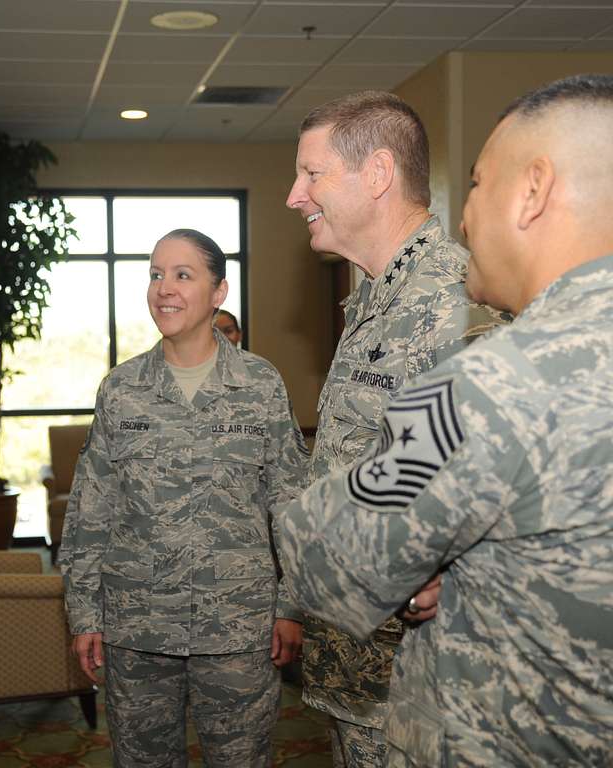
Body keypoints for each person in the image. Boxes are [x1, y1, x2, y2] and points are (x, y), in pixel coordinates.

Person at [276, 73, 613, 766]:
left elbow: (331, 552)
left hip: (451, 704)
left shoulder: (469, 319)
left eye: (481, 183)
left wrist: (427, 559)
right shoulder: (372, 298)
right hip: (378, 670)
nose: (464, 213)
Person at [284, 91, 506, 767]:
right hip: (360, 675)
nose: (295, 196)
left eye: (311, 174)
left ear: (377, 174)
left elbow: (508, 487)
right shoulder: (374, 302)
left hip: (424, 694)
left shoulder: (457, 305)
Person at [59, 229, 309, 767]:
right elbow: (92, 506)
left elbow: (290, 499)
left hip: (239, 628)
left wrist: (292, 605)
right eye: (155, 274)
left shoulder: (260, 384)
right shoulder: (121, 389)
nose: (163, 289)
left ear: (219, 291)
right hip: (137, 627)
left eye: (182, 275)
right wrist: (83, 613)